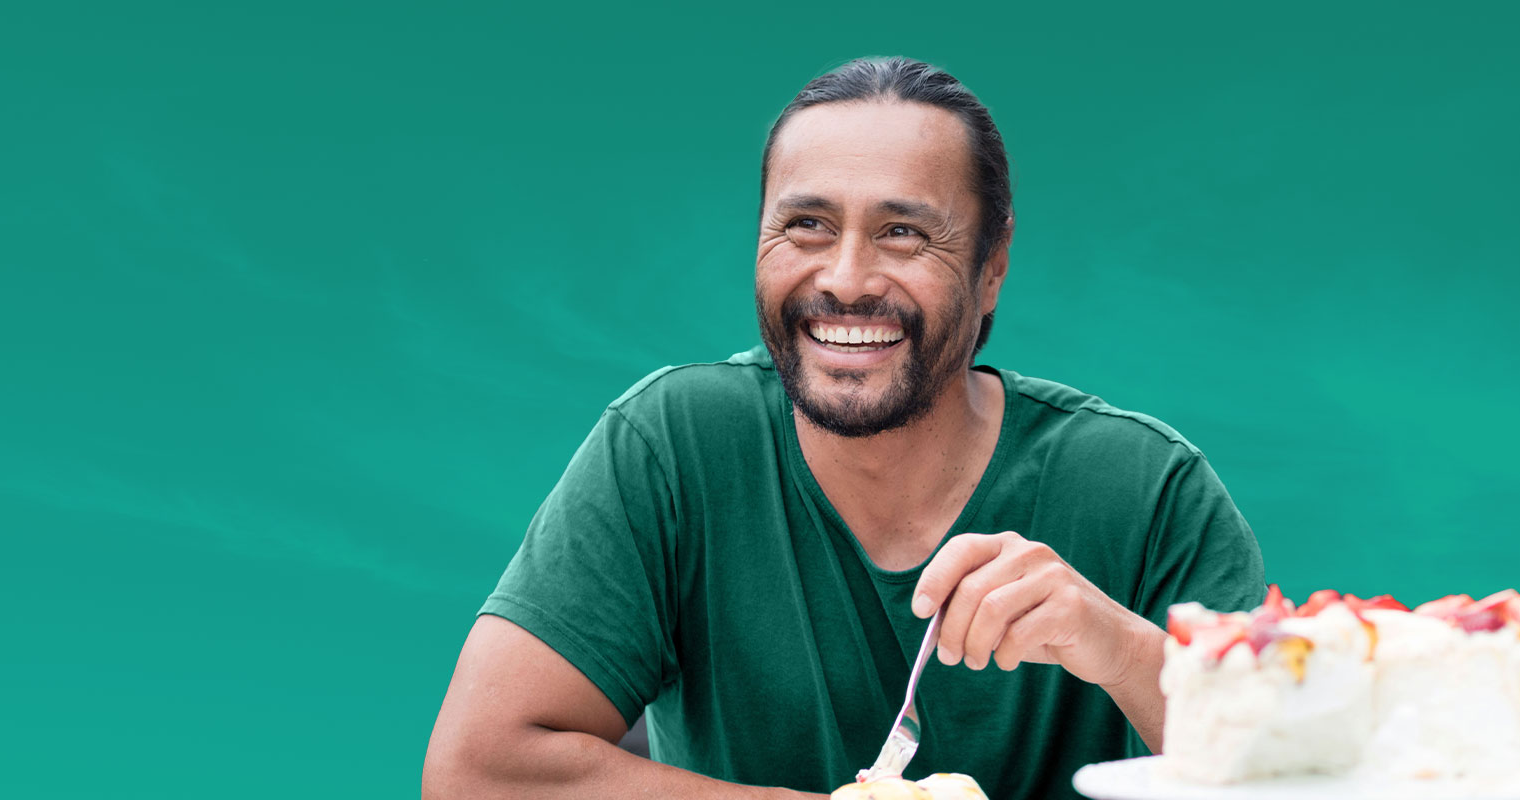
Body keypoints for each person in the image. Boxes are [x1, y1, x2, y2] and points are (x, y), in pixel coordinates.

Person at [420, 57, 1267, 800]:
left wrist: (1117, 647)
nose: (848, 278)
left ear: (993, 266)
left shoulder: (1147, 491)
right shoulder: (675, 445)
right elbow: (478, 771)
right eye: (807, 225)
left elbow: (1295, 779)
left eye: (904, 233)